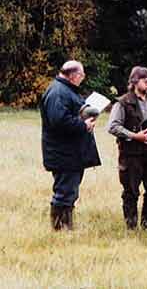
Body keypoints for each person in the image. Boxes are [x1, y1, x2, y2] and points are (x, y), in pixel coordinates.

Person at [40, 60, 101, 230]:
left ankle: (66, 227)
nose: (83, 78)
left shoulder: (65, 90)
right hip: (63, 153)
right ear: (73, 76)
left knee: (70, 192)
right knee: (64, 192)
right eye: (81, 75)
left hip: (71, 152)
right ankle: (60, 229)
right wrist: (84, 125)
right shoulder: (58, 93)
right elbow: (58, 121)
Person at [108, 66, 147, 229]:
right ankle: (131, 226)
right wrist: (135, 136)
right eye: (145, 81)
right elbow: (112, 126)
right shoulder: (123, 103)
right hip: (131, 155)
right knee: (131, 192)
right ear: (134, 82)